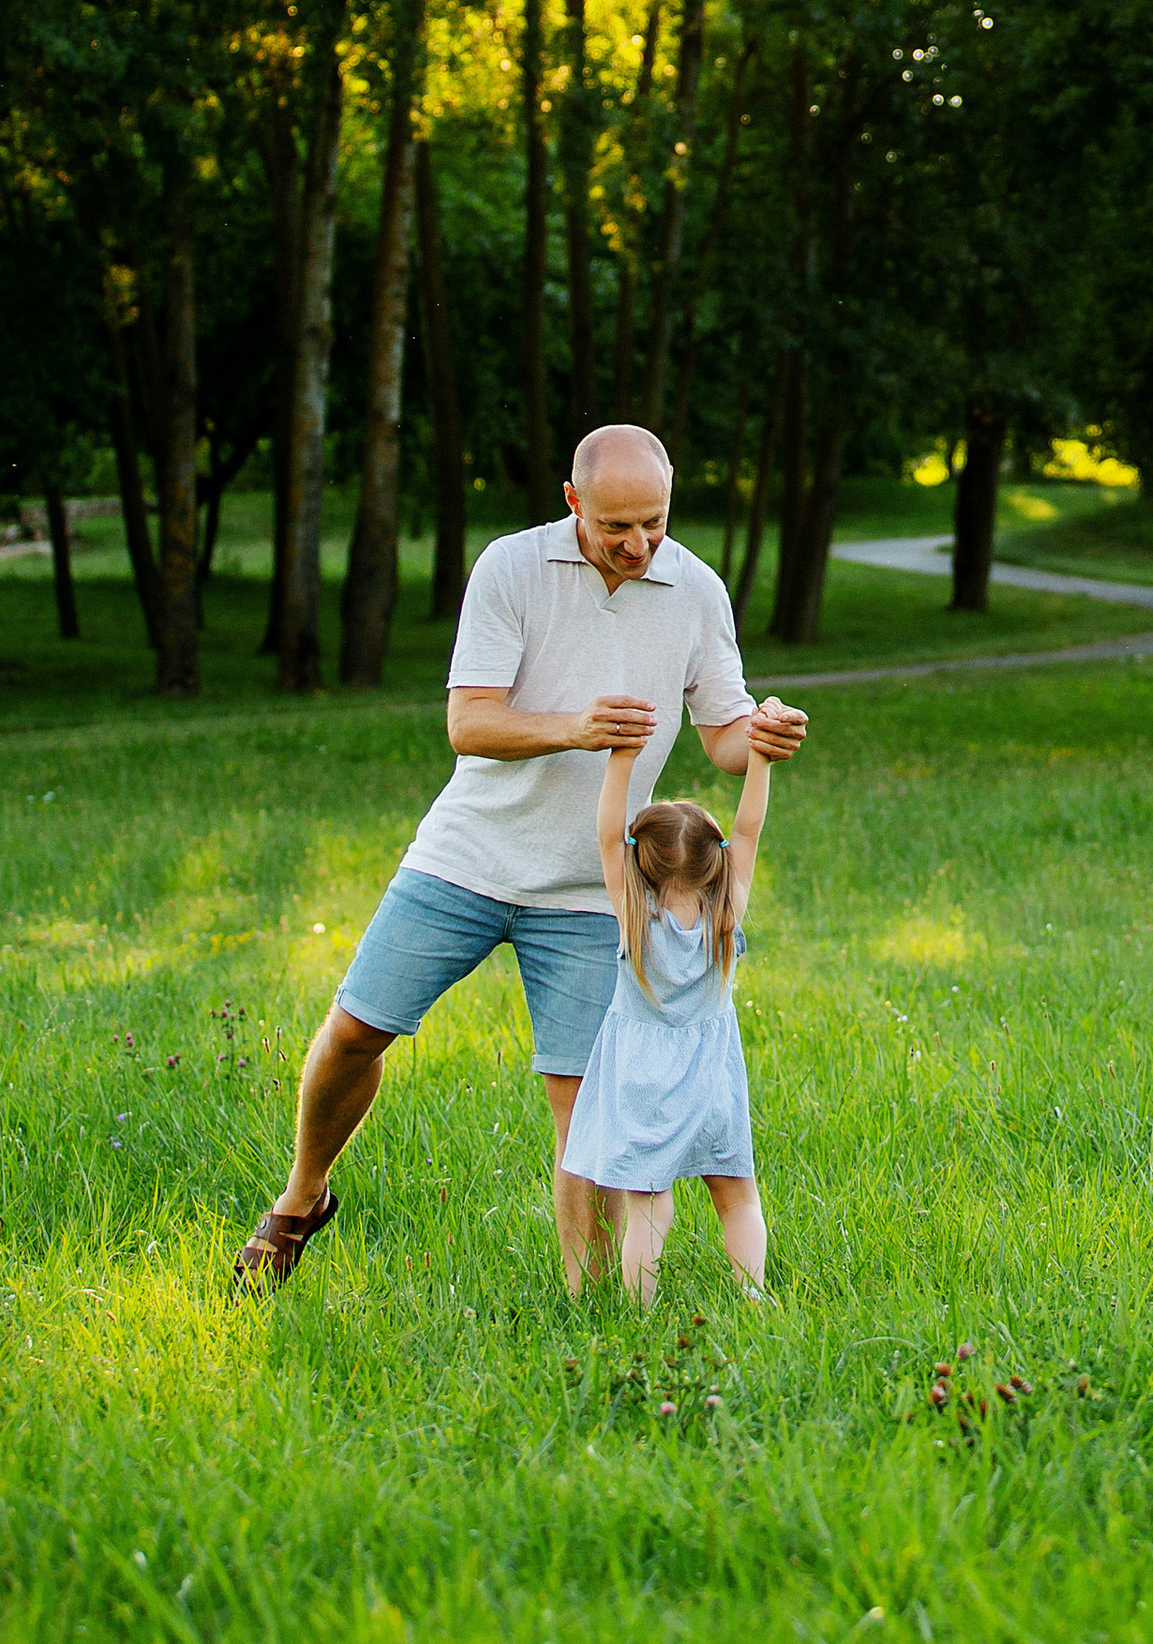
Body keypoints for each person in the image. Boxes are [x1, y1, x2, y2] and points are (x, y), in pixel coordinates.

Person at [233, 424, 808, 1288]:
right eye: (617, 525)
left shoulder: (694, 587)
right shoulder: (512, 567)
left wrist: (761, 735)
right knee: (357, 1030)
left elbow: (721, 734)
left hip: (595, 887)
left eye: (654, 521)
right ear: (573, 502)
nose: (638, 543)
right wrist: (574, 728)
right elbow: (469, 723)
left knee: (585, 1104)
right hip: (468, 858)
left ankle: (590, 1296)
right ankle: (301, 1197)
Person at [560, 726, 781, 1303]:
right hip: (711, 1076)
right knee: (738, 1197)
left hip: (642, 1080)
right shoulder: (725, 912)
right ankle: (752, 1296)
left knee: (649, 1213)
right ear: (717, 862)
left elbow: (609, 835)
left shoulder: (635, 915)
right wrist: (759, 757)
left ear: (642, 863)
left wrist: (623, 757)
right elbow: (749, 828)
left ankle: (641, 1309)